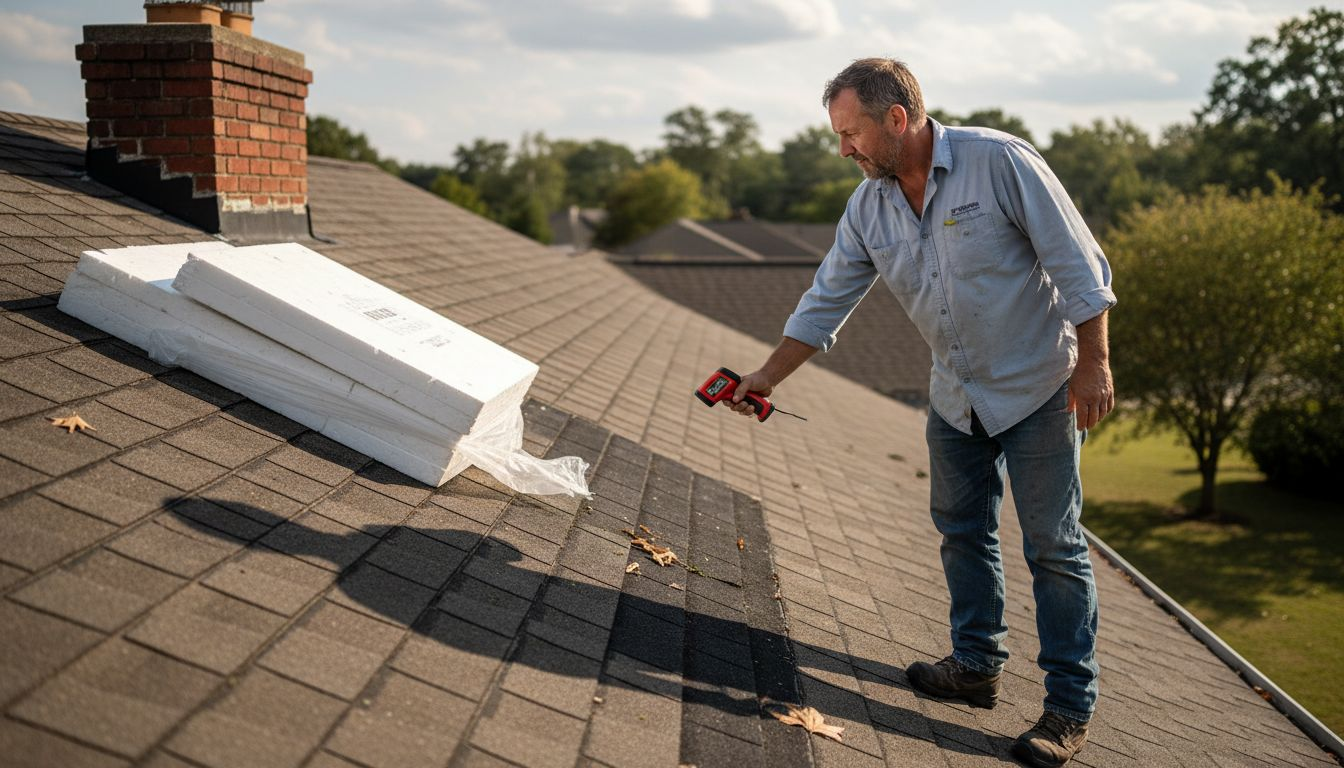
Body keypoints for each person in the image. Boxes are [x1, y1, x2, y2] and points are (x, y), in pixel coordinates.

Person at [729, 58, 1116, 768]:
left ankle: (1067, 709)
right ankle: (975, 668)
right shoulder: (869, 206)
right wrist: (766, 376)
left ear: (897, 120)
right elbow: (825, 302)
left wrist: (1094, 362)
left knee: (1053, 549)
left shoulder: (999, 163)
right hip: (956, 395)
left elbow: (1078, 265)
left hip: (1038, 388)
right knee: (961, 531)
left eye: (851, 134)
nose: (844, 149)